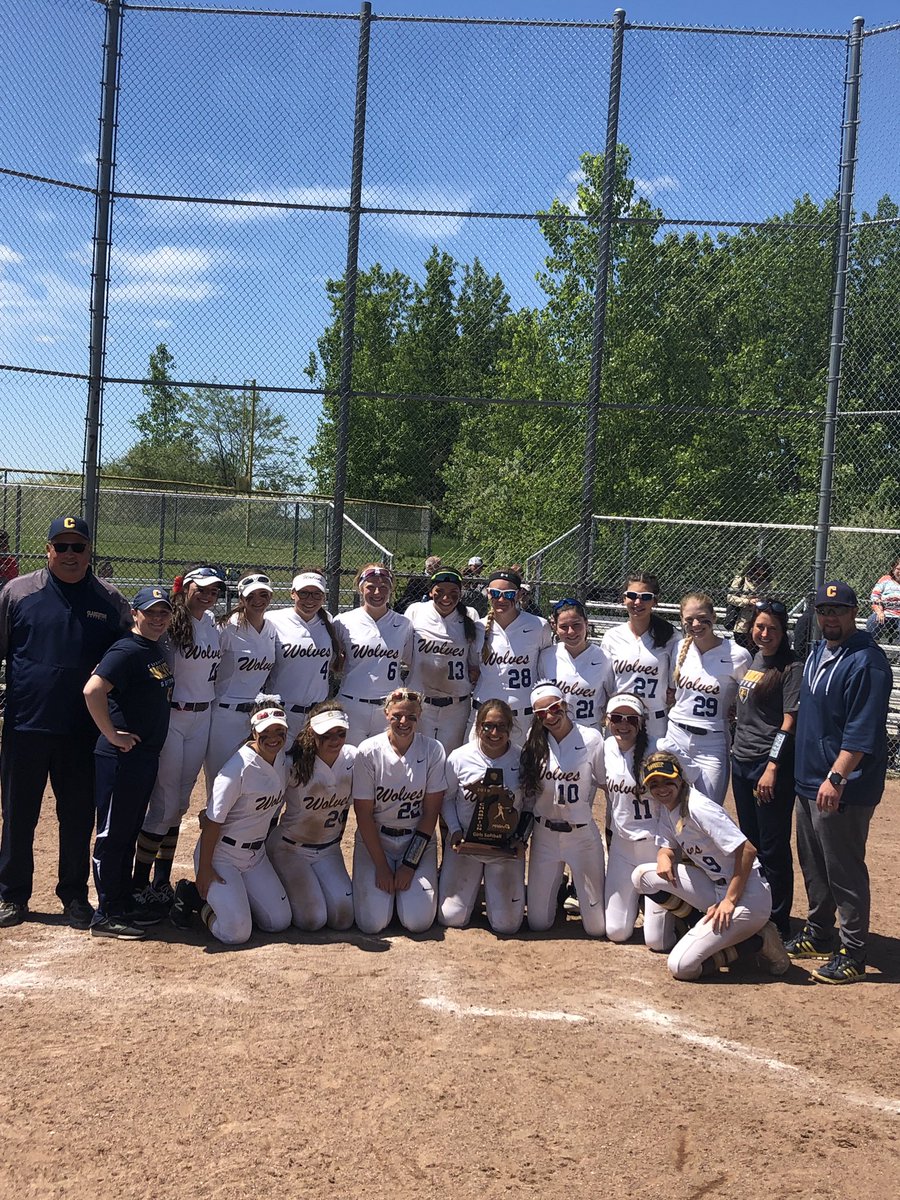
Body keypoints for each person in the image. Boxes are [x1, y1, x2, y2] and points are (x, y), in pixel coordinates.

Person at [0, 516, 132, 930]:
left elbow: (125, 659)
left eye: (78, 546)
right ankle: (11, 895)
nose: (70, 554)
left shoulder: (109, 599)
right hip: (26, 725)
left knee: (76, 815)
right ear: (48, 550)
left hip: (81, 731)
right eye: (62, 546)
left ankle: (73, 895)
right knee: (18, 813)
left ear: (90, 550)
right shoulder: (17, 593)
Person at [787, 580, 892, 983]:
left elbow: (862, 731)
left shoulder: (867, 661)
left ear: (853, 613)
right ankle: (820, 932)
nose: (830, 617)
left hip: (843, 784)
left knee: (844, 868)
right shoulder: (820, 651)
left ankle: (853, 951)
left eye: (838, 610)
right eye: (824, 611)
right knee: (814, 864)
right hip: (808, 779)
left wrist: (837, 776)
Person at [632, 752, 790, 981]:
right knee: (642, 876)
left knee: (681, 967)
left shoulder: (698, 807)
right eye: (654, 784)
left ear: (681, 779)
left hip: (748, 896)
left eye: (668, 781)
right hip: (715, 887)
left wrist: (730, 900)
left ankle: (757, 941)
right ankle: (700, 926)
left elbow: (747, 851)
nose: (662, 788)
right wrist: (664, 855)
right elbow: (667, 845)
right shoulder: (668, 806)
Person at [82, 587, 175, 939]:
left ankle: (121, 902)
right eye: (150, 612)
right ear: (135, 614)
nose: (157, 618)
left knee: (128, 832)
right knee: (112, 835)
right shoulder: (126, 649)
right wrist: (111, 734)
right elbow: (93, 690)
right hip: (121, 756)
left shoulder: (153, 648)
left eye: (163, 613)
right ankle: (105, 913)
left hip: (144, 756)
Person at [136, 565, 224, 917]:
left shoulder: (212, 623)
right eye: (200, 589)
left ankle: (161, 882)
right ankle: (139, 883)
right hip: (173, 716)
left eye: (214, 590)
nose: (207, 595)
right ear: (185, 588)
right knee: (164, 802)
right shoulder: (170, 622)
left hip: (203, 717)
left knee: (181, 803)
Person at [172, 698, 292, 945]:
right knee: (235, 933)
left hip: (255, 856)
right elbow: (212, 823)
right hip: (221, 856)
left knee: (278, 922)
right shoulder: (236, 769)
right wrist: (205, 868)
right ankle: (195, 898)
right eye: (265, 732)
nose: (273, 738)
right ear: (253, 732)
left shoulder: (280, 759)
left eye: (279, 731)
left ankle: (234, 901)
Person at [731, 600, 801, 940]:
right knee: (751, 843)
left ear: (783, 631)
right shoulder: (753, 659)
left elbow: (789, 722)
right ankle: (758, 913)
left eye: (772, 628)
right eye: (760, 626)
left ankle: (779, 923)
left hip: (766, 766)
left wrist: (772, 766)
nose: (765, 633)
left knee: (773, 846)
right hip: (741, 761)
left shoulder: (790, 667)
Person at [351, 687, 446, 934]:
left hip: (416, 840)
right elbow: (363, 815)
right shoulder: (368, 751)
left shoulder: (433, 750)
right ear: (386, 714)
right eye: (397, 716)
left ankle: (400, 897)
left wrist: (409, 865)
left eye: (411, 717)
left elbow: (430, 813)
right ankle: (387, 897)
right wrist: (382, 867)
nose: (404, 722)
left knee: (418, 923)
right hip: (376, 840)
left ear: (419, 717)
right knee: (371, 924)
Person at [520, 681, 607, 936]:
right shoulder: (534, 740)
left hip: (581, 835)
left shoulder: (591, 738)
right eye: (541, 713)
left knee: (597, 928)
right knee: (538, 922)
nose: (550, 716)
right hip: (545, 834)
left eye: (555, 708)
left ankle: (575, 888)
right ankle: (554, 892)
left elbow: (605, 784)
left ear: (565, 705)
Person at [439, 699, 528, 934]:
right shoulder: (459, 757)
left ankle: (491, 891)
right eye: (488, 726)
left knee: (507, 926)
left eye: (501, 726)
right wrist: (455, 831)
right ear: (478, 727)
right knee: (452, 918)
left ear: (511, 728)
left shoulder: (522, 760)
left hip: (504, 849)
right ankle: (472, 893)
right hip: (466, 847)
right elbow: (447, 799)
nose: (494, 732)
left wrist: (521, 837)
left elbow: (530, 804)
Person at [267, 701, 355, 931]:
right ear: (311, 732)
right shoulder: (291, 764)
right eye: (326, 734)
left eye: (340, 733)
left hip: (329, 850)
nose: (334, 740)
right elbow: (262, 806)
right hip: (290, 849)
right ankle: (273, 884)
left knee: (343, 918)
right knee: (312, 919)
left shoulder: (353, 759)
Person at [658, 592, 752, 805]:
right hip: (676, 735)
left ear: (714, 617)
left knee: (708, 808)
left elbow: (747, 698)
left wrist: (734, 707)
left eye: (702, 618)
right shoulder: (679, 648)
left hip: (712, 741)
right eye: (689, 620)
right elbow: (672, 691)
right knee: (670, 805)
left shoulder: (737, 655)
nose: (696, 624)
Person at [602, 692, 672, 949]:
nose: (623, 724)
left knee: (657, 942)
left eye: (631, 719)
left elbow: (687, 785)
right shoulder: (605, 748)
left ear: (641, 722)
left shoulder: (659, 749)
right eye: (617, 718)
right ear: (607, 720)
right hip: (621, 847)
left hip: (653, 848)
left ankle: (684, 912)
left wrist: (670, 846)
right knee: (616, 932)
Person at [204, 572, 278, 784]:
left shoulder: (271, 628)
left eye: (263, 594)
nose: (258, 600)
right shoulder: (227, 628)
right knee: (221, 781)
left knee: (250, 781)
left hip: (255, 716)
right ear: (241, 598)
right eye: (250, 596)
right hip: (225, 715)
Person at [334, 564, 415, 747]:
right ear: (360, 588)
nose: (377, 592)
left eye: (384, 587)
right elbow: (334, 660)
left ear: (391, 589)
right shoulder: (343, 621)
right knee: (349, 762)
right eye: (370, 586)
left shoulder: (403, 624)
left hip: (389, 706)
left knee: (384, 763)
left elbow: (410, 662)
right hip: (351, 704)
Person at [471, 568, 552, 745]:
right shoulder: (478, 627)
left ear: (518, 595)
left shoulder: (538, 625)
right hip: (484, 714)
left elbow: (545, 669)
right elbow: (473, 667)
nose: (501, 599)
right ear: (487, 594)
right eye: (495, 593)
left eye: (508, 594)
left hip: (523, 717)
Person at [405, 567, 480, 752]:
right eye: (440, 591)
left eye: (453, 592)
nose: (446, 597)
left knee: (451, 758)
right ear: (431, 592)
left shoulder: (470, 615)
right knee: (418, 756)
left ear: (461, 593)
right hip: (421, 702)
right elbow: (406, 654)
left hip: (456, 705)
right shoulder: (416, 611)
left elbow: (473, 663)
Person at [600, 573, 677, 748]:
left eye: (645, 597)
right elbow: (606, 682)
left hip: (654, 720)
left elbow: (674, 683)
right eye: (632, 596)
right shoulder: (612, 636)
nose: (638, 602)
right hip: (620, 719)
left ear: (655, 601)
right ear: (624, 598)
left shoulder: (670, 636)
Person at [267, 569, 343, 743]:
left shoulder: (328, 621)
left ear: (324, 597)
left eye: (317, 594)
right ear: (292, 593)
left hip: (317, 714)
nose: (310, 599)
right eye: (304, 593)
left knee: (310, 767)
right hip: (282, 712)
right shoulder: (273, 620)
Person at [540, 597, 614, 729]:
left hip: (590, 729)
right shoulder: (547, 657)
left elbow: (612, 696)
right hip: (556, 730)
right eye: (563, 627)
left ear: (586, 623)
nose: (571, 632)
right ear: (554, 627)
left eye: (576, 625)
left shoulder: (604, 658)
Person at [726, 557, 774, 649]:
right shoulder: (741, 580)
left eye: (763, 572)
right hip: (742, 622)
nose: (759, 575)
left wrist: (762, 602)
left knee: (755, 651)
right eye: (757, 571)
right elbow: (730, 597)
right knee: (741, 649)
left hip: (758, 622)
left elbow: (770, 600)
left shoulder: (767, 584)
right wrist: (747, 601)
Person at [867, 555, 900, 645]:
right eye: (898, 569)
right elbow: (874, 596)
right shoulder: (885, 579)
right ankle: (872, 646)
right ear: (893, 569)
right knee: (873, 620)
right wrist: (879, 611)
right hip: (885, 613)